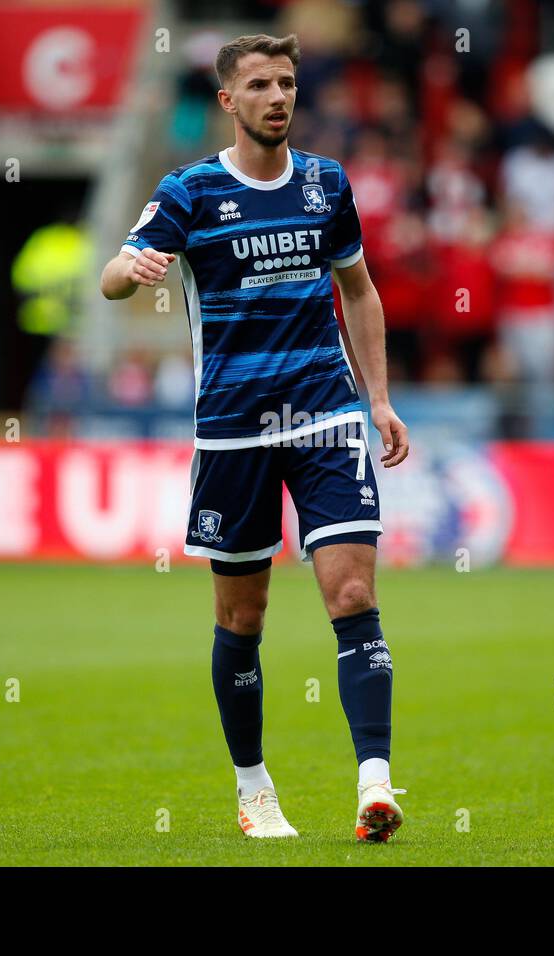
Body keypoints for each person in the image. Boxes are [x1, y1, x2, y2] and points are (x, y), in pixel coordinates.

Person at [99, 34, 410, 843]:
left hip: (325, 415)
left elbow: (361, 292)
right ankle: (253, 788)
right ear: (229, 101)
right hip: (233, 430)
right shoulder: (190, 190)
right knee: (244, 617)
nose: (279, 96)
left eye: (288, 83)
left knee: (352, 594)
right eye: (261, 85)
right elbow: (111, 271)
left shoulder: (324, 185)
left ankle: (374, 782)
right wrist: (128, 272)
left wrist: (377, 399)